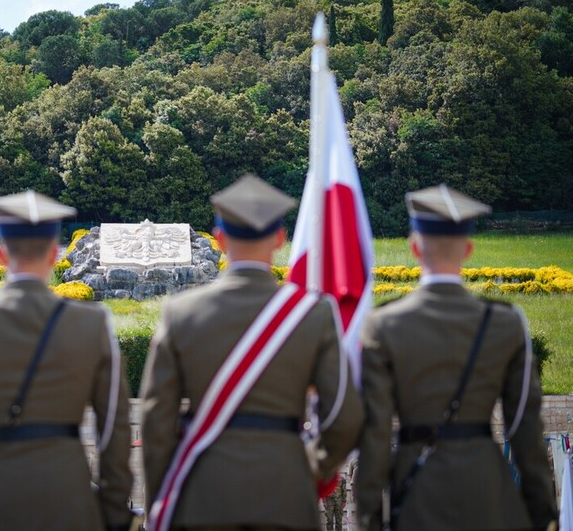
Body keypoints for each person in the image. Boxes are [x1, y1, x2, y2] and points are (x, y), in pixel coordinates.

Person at [141, 174, 363, 531]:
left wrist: (160, 501)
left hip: (203, 492)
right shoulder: (312, 313)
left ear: (219, 238)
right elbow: (345, 415)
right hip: (286, 489)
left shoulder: (180, 313)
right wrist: (309, 469)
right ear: (279, 237)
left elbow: (156, 425)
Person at [355, 184, 559, 531]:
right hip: (488, 494)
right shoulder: (506, 324)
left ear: (415, 247)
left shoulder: (382, 326)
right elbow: (525, 429)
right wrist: (543, 514)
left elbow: (374, 435)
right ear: (467, 249)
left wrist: (369, 517)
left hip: (416, 494)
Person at [0, 190, 134, 531]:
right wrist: (113, 512)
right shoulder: (93, 324)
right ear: (55, 254)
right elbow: (114, 427)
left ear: (0, 254)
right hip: (70, 499)